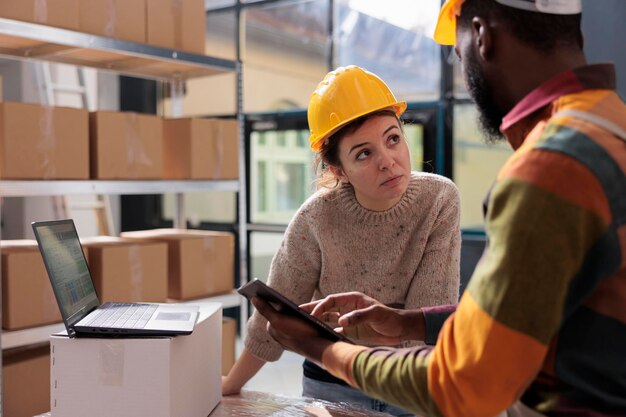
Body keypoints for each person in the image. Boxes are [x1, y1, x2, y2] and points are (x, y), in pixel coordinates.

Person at [252, 1, 626, 416]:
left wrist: (321, 348)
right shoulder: (611, 127)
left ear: (482, 36)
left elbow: (462, 385)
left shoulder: (550, 169)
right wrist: (410, 323)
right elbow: (536, 313)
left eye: (459, 50)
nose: (462, 69)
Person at [222, 65, 462, 416]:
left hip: (407, 381)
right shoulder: (316, 217)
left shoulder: (439, 199)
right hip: (331, 382)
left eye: (393, 138)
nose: (388, 162)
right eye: (364, 153)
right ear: (338, 170)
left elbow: (427, 318)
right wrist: (231, 385)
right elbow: (271, 316)